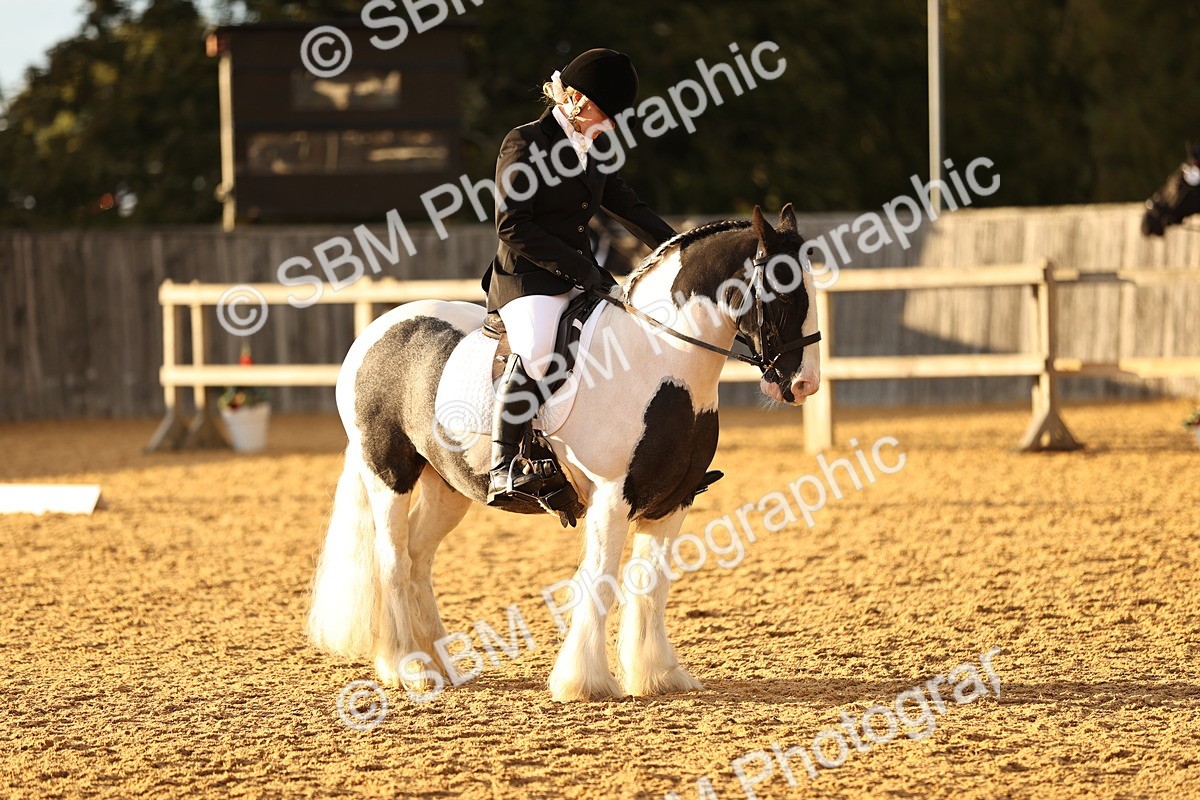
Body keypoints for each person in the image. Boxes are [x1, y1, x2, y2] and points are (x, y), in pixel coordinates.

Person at [480, 48, 677, 506]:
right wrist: (588, 272)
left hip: (582, 276)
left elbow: (628, 205)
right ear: (578, 101)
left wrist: (677, 248)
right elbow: (511, 225)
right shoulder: (524, 142)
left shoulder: (594, 148)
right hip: (526, 279)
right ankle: (502, 465)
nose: (611, 125)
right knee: (538, 351)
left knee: (635, 338)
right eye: (607, 115)